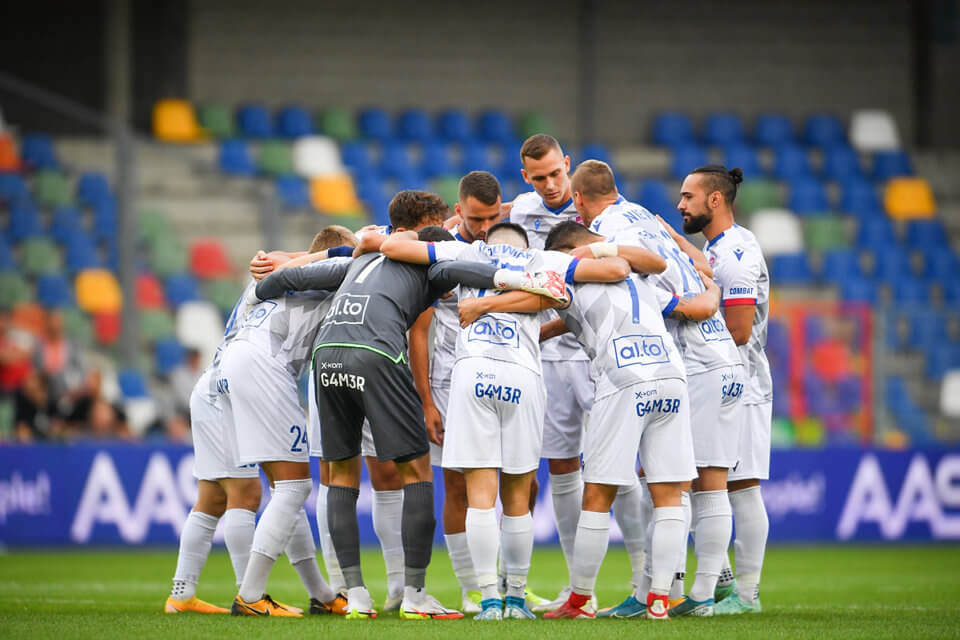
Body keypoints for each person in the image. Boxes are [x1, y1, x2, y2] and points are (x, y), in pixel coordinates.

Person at [253, 190, 569, 620]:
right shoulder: (430, 264)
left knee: (341, 473)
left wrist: (262, 284)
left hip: (326, 355)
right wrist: (523, 280)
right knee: (416, 471)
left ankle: (357, 596)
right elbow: (464, 268)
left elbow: (289, 280)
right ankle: (415, 595)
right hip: (378, 353)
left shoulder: (359, 261)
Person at [381, 218, 657, 620]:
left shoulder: (464, 251)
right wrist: (586, 253)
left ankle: (488, 599)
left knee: (480, 495)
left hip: (472, 373)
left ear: (487, 240)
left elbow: (392, 249)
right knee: (516, 497)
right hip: (523, 376)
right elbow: (617, 270)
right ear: (524, 242)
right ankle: (515, 598)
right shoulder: (543, 258)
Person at [573, 159, 745, 617]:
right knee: (694, 483)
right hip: (723, 357)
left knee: (696, 486)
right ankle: (671, 590)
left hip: (691, 359)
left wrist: (704, 301)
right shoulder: (645, 215)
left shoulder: (606, 235)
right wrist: (709, 289)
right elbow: (699, 262)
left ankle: (698, 595)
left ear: (579, 202)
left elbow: (666, 301)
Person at [532, 221, 718, 620]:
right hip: (671, 375)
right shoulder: (640, 272)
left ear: (568, 250)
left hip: (623, 378)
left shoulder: (567, 267)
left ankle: (579, 601)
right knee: (670, 494)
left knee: (597, 495)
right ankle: (659, 601)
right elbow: (656, 270)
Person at [505, 134, 595, 611]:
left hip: (599, 352)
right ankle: (580, 586)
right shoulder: (521, 210)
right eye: (539, 178)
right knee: (561, 467)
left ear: (568, 164)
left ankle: (650, 583)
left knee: (616, 470)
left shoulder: (597, 209)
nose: (550, 185)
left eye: (556, 173)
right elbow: (477, 217)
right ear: (526, 178)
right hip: (550, 358)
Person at [407, 171, 503, 614]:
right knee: (458, 484)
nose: (484, 227)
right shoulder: (438, 250)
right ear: (458, 209)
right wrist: (426, 400)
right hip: (448, 384)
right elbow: (420, 331)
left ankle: (502, 582)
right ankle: (472, 586)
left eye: (492, 217)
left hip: (500, 377)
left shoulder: (506, 239)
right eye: (477, 218)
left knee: (504, 482)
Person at [678, 164, 772, 615]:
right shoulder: (717, 249)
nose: (681, 205)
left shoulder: (734, 255)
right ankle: (721, 579)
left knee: (741, 486)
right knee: (701, 481)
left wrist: (681, 313)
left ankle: (746, 594)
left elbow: (736, 330)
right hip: (720, 381)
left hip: (742, 381)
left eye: (688, 197)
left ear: (715, 200)